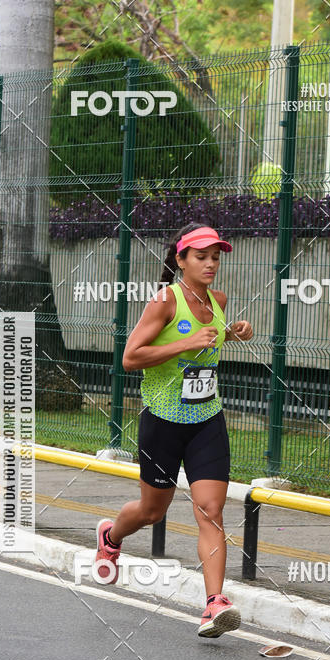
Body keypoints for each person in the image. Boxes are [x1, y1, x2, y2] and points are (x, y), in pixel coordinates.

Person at [93, 223, 253, 638]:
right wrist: (183, 344)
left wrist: (231, 332)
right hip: (162, 421)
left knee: (211, 510)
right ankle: (110, 534)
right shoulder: (165, 300)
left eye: (216, 256)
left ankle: (215, 604)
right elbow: (131, 357)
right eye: (201, 256)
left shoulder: (217, 300)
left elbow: (207, 341)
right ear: (180, 260)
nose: (211, 264)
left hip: (206, 420)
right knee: (152, 511)